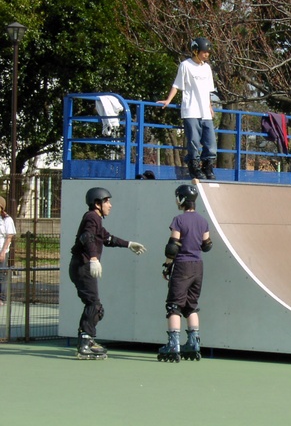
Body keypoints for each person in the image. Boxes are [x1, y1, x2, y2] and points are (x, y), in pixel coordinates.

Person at [69, 187, 147, 359]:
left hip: (81, 266)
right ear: (97, 203)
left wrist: (128, 244)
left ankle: (86, 339)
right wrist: (93, 258)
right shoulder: (91, 217)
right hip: (83, 266)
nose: (110, 205)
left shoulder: (96, 219)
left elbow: (107, 238)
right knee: (94, 305)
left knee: (95, 306)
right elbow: (87, 237)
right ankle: (85, 343)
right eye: (107, 201)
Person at [158, 184, 212, 362]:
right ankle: (193, 343)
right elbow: (207, 245)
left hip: (182, 265)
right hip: (198, 266)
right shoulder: (203, 221)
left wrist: (167, 266)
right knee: (191, 306)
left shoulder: (179, 220)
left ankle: (173, 345)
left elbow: (173, 246)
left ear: (181, 199)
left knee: (174, 305)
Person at [158, 37, 218, 181]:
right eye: (204, 52)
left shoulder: (207, 68)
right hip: (191, 109)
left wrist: (210, 106)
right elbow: (177, 85)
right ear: (196, 51)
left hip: (205, 112)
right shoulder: (185, 65)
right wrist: (168, 100)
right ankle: (195, 168)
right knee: (194, 141)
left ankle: (207, 167)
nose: (206, 55)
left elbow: (208, 90)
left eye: (208, 52)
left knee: (211, 144)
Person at [0, 196, 16, 307]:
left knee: (1, 275)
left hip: (2, 250)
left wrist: (3, 252)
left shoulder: (7, 219)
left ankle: (1, 298)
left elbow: (9, 237)